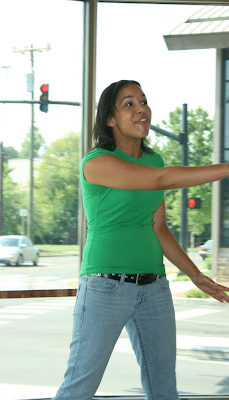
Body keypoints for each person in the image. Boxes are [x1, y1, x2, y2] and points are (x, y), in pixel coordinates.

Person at [53, 80, 229, 400]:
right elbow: (160, 181)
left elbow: (158, 227)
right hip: (105, 286)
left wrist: (196, 275)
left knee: (163, 389)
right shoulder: (96, 162)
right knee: (79, 388)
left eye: (144, 101)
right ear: (110, 119)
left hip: (155, 288)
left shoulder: (153, 160)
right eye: (129, 104)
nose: (141, 109)